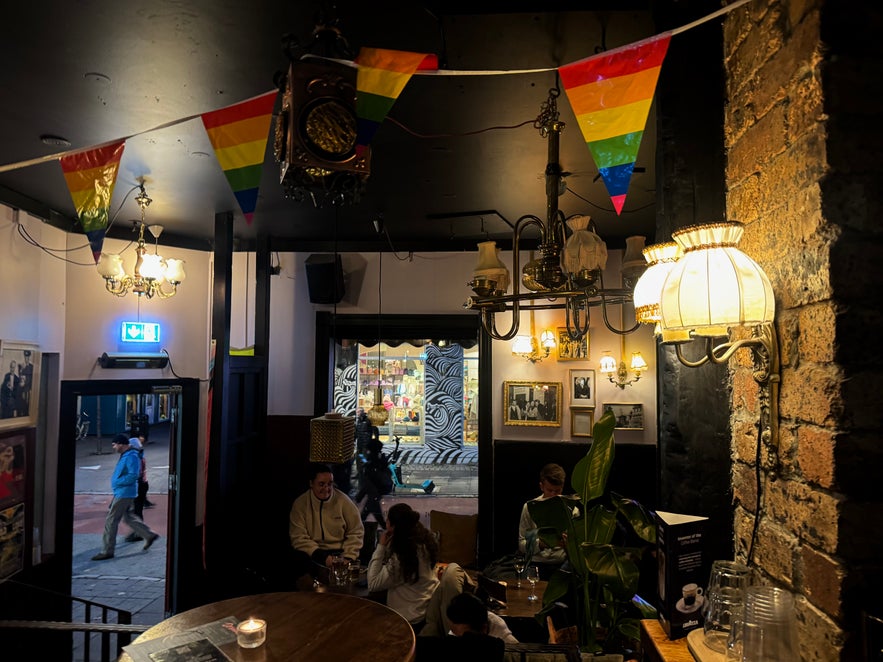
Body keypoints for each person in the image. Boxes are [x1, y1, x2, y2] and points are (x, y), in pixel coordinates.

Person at [289, 462, 364, 586]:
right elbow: (298, 537)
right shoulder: (300, 504)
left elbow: (356, 531)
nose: (327, 489)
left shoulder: (343, 501)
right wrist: (322, 557)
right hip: (313, 555)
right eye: (321, 484)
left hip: (340, 554)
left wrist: (348, 557)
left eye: (330, 484)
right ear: (311, 484)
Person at [368, 503, 439, 631]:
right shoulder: (424, 543)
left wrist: (381, 546)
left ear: (393, 527)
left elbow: (373, 584)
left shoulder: (403, 558)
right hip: (423, 607)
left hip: (408, 620)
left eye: (388, 520)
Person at [91, 435, 159, 560]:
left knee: (111, 521)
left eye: (114, 444)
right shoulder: (127, 455)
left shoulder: (131, 456)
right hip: (123, 492)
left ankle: (107, 550)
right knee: (128, 518)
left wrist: (118, 482)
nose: (113, 447)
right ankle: (149, 534)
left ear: (121, 444)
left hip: (124, 492)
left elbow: (134, 474)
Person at [518, 463, 568, 576]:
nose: (553, 495)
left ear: (562, 487)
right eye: (550, 490)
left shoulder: (572, 510)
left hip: (561, 564)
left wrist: (568, 543)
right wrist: (541, 544)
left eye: (557, 491)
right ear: (541, 487)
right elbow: (521, 545)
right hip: (536, 562)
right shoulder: (530, 507)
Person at [354, 426, 391, 528]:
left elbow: (367, 484)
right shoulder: (379, 462)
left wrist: (358, 498)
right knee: (373, 516)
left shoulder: (370, 466)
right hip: (375, 495)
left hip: (373, 496)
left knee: (364, 517)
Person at [125, 437, 151, 541]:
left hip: (139, 485)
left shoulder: (136, 457)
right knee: (136, 510)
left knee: (135, 510)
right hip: (143, 484)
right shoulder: (140, 455)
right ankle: (138, 532)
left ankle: (140, 533)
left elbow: (135, 473)